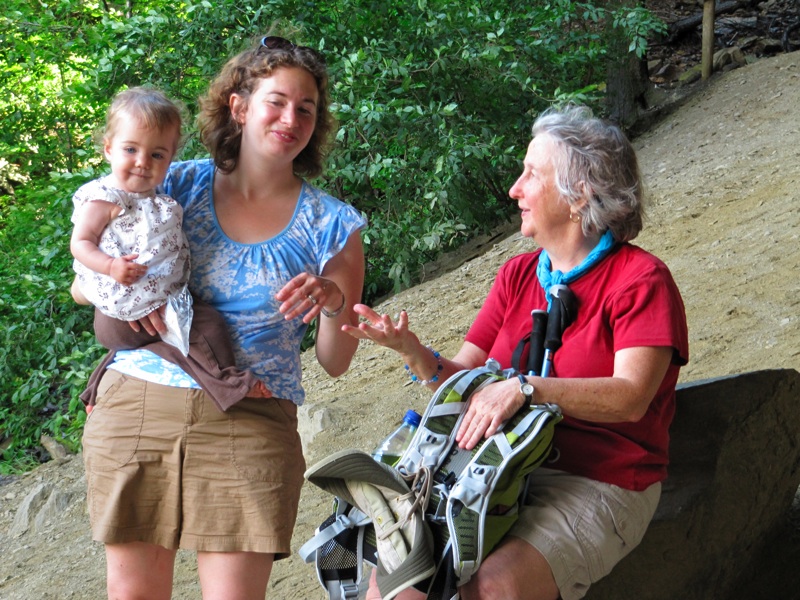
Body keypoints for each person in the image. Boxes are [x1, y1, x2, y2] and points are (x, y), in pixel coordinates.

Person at [344, 104, 689, 600]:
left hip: (599, 478)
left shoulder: (642, 281)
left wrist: (524, 389)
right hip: (496, 469)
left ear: (580, 193)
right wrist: (411, 350)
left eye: (531, 174)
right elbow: (463, 379)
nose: (514, 189)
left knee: (493, 587)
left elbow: (630, 397)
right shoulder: (518, 275)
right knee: (395, 582)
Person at [78, 35, 365, 600]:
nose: (291, 118)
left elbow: (335, 361)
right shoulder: (170, 182)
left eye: (306, 109)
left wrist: (332, 300)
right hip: (139, 401)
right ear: (239, 106)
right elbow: (81, 288)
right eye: (276, 101)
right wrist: (129, 294)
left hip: (251, 417)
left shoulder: (333, 226)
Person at [70, 86, 268, 413]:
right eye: (130, 149)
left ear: (170, 158)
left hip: (162, 303)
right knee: (199, 332)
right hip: (121, 309)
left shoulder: (158, 200)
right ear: (108, 149)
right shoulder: (105, 198)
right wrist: (110, 266)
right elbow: (80, 243)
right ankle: (230, 385)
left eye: (157, 155)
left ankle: (96, 387)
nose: (142, 162)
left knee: (190, 330)